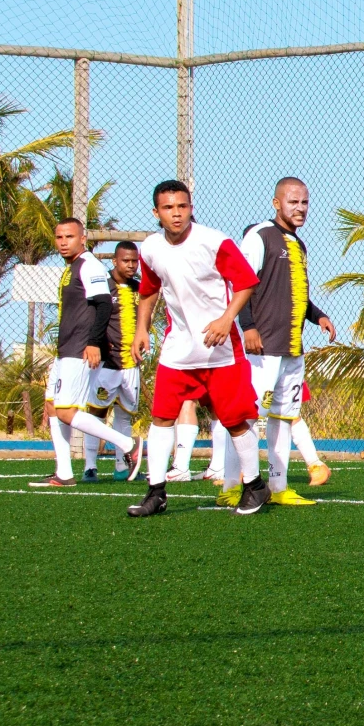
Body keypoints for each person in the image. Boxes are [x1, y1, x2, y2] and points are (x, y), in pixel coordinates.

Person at [127, 182, 270, 518]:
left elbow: (247, 281)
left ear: (191, 207)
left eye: (182, 206)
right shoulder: (150, 248)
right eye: (168, 208)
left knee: (235, 420)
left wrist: (226, 319)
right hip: (178, 349)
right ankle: (156, 492)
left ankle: (254, 485)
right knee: (161, 417)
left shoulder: (213, 241)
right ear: (156, 213)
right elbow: (148, 290)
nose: (176, 214)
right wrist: (141, 328)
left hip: (220, 350)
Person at [240, 178, 337, 508]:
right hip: (263, 347)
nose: (299, 208)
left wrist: (319, 316)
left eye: (304, 203)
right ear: (276, 202)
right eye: (293, 201)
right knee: (250, 414)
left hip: (291, 347)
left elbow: (298, 296)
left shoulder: (299, 244)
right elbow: (243, 284)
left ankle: (278, 487)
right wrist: (248, 326)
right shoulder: (261, 236)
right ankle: (236, 482)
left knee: (283, 416)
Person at [33, 220, 132, 486]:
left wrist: (93, 342)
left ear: (83, 238)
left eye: (69, 236)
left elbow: (103, 305)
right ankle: (64, 472)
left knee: (66, 411)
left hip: (79, 349)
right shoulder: (71, 268)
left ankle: (127, 443)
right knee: (53, 405)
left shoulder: (89, 265)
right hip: (65, 349)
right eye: (59, 237)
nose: (63, 241)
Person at [75, 241, 144, 482]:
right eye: (126, 261)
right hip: (106, 363)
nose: (131, 266)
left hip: (131, 364)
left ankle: (121, 467)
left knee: (124, 415)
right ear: (114, 261)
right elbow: (93, 318)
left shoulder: (139, 289)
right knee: (96, 413)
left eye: (135, 261)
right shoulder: (104, 288)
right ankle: (90, 466)